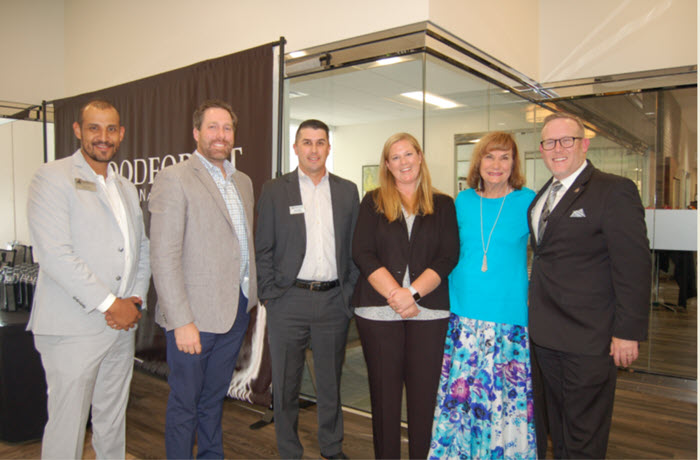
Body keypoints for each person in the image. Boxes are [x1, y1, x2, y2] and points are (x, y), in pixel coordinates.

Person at [26, 99, 150, 459]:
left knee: (112, 420)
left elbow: (140, 248)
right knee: (68, 427)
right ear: (78, 130)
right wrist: (112, 304)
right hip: (72, 327)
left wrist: (135, 301)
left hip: (120, 326)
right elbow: (55, 254)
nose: (103, 137)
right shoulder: (52, 177)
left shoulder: (124, 187)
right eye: (94, 128)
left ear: (121, 134)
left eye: (111, 129)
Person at [528, 113, 651, 458]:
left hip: (589, 339)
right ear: (541, 149)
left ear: (584, 144)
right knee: (560, 429)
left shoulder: (614, 190)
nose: (558, 148)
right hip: (547, 336)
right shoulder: (543, 195)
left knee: (584, 434)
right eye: (550, 142)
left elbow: (634, 264)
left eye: (567, 140)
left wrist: (628, 331)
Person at [149, 99, 258, 458]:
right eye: (212, 127)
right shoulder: (175, 178)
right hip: (193, 318)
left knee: (213, 400)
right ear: (196, 133)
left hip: (235, 311)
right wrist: (181, 321)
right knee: (185, 404)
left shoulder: (243, 182)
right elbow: (163, 255)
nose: (220, 135)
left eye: (227, 128)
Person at [428, 132, 537, 459]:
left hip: (508, 319)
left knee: (503, 403)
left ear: (514, 163)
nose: (496, 165)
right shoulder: (462, 201)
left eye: (505, 157)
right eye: (490, 157)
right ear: (478, 162)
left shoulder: (528, 201)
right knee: (462, 403)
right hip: (463, 316)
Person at [255, 119, 359, 459]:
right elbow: (264, 247)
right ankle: (289, 451)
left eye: (320, 142)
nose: (314, 149)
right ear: (296, 147)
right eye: (307, 142)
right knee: (285, 386)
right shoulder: (275, 189)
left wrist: (350, 293)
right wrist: (271, 295)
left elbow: (355, 248)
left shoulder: (347, 191)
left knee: (330, 385)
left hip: (333, 302)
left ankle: (332, 448)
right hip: (289, 301)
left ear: (329, 147)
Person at [351, 132, 458, 459]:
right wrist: (396, 295)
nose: (403, 162)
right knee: (384, 400)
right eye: (395, 157)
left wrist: (411, 293)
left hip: (429, 314)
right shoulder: (372, 201)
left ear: (420, 157)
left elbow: (448, 256)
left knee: (424, 400)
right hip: (378, 313)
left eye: (408, 154)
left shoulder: (443, 204)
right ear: (387, 165)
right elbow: (363, 252)